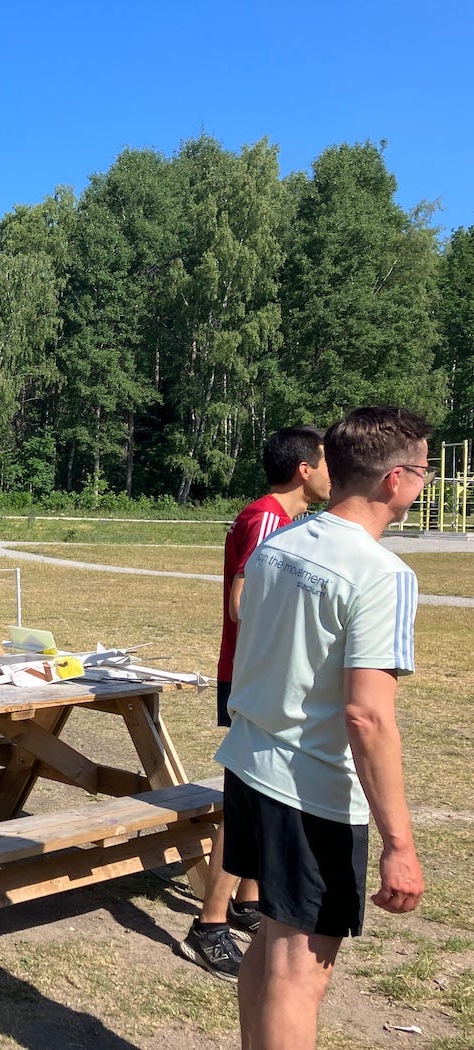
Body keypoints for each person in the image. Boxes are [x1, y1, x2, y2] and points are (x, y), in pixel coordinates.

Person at [216, 406, 429, 1049]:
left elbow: (248, 624)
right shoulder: (381, 573)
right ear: (395, 479)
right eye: (422, 469)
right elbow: (366, 715)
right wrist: (400, 843)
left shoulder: (282, 541)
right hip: (312, 791)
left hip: (251, 763)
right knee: (302, 968)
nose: (422, 481)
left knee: (274, 946)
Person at [182, 426, 331, 980]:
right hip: (256, 678)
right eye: (327, 462)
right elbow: (242, 602)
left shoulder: (279, 516)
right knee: (248, 801)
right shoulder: (268, 518)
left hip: (259, 677)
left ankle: (247, 901)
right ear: (304, 469)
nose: (334, 472)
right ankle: (209, 925)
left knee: (265, 794)